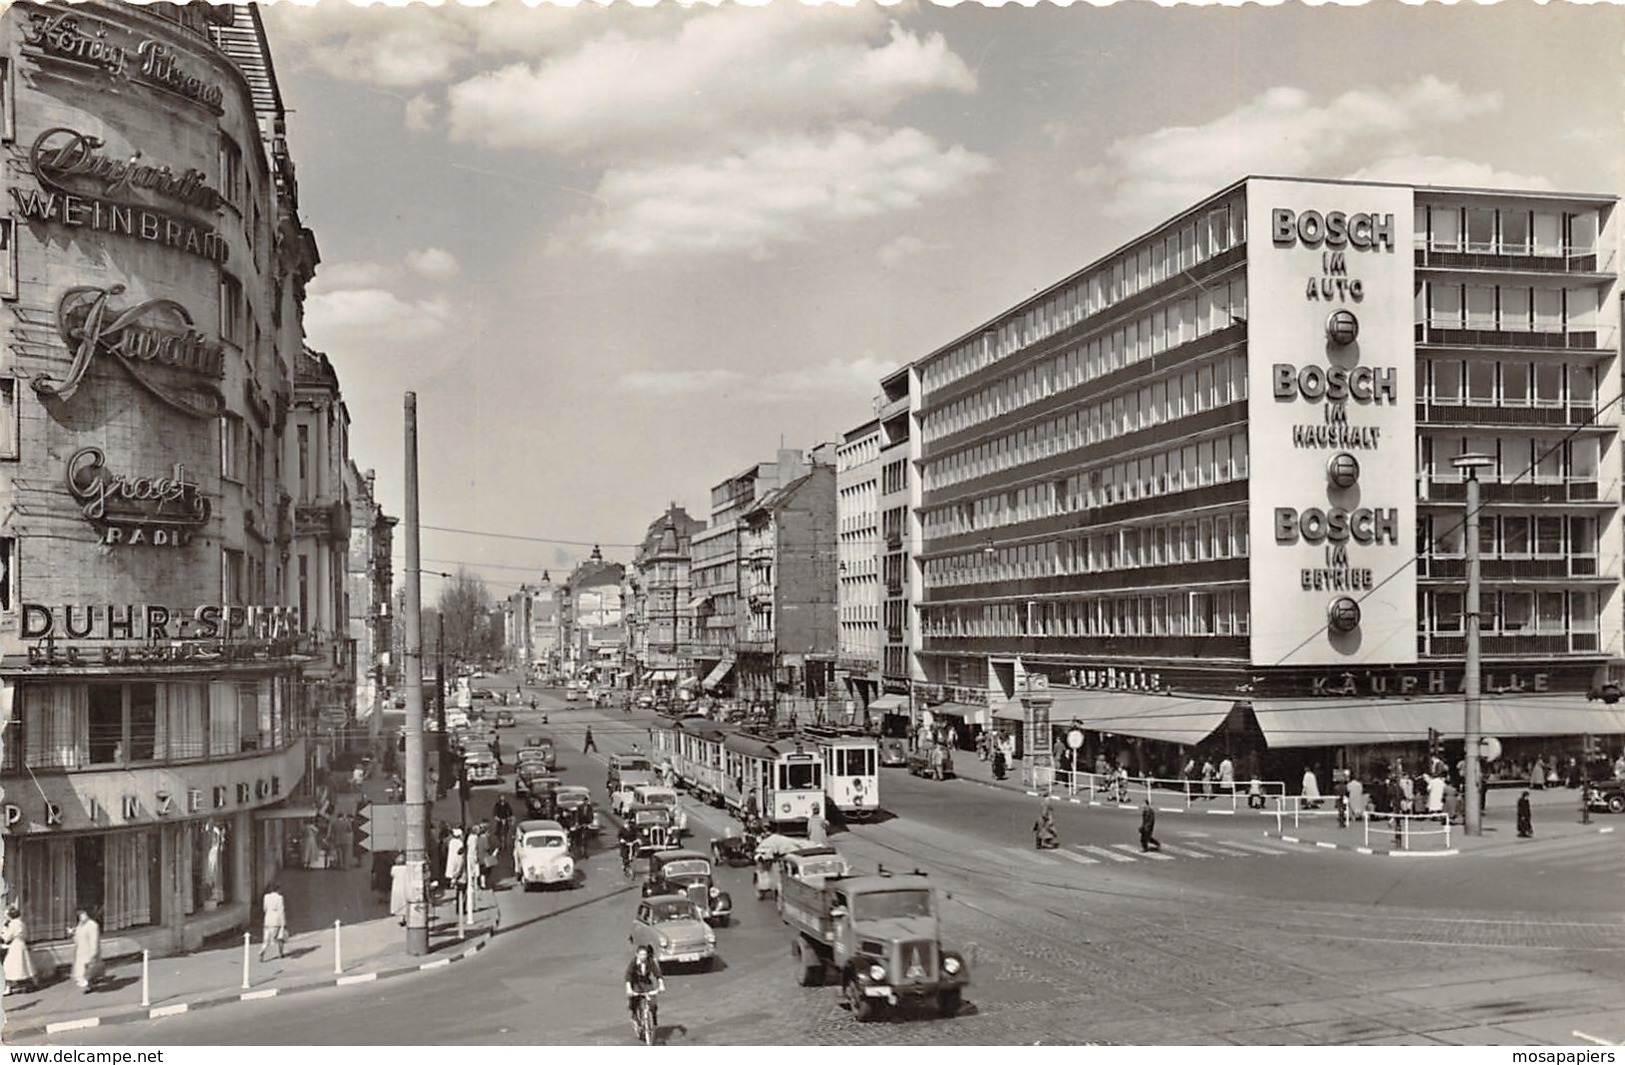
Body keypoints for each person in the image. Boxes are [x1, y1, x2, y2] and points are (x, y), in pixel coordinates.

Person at [625, 944, 666, 1036]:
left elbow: (657, 973)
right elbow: (628, 975)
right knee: (634, 1000)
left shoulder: (650, 962)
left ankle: (654, 1022)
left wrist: (661, 984)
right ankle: (635, 1017)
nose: (643, 957)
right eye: (641, 954)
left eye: (645, 954)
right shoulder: (634, 963)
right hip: (636, 983)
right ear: (637, 955)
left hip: (646, 983)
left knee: (653, 1004)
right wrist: (629, 988)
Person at [1, 905, 36, 994]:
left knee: (8, 966)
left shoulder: (13, 924)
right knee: (23, 965)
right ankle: (27, 984)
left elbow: (7, 937)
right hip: (21, 945)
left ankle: (8, 988)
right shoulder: (21, 923)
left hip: (15, 946)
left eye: (6, 915)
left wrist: (2, 933)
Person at [68, 908, 100, 993]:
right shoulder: (81, 925)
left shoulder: (92, 925)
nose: (81, 916)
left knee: (88, 969)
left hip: (88, 950)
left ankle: (89, 984)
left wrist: (93, 953)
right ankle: (89, 983)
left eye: (83, 914)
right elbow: (78, 937)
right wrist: (73, 933)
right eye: (80, 914)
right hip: (81, 950)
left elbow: (94, 940)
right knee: (81, 970)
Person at [259, 884, 287, 961]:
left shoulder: (266, 897)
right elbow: (281, 910)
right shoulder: (279, 898)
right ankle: (281, 953)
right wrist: (283, 923)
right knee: (280, 938)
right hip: (276, 920)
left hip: (268, 919)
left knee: (266, 939)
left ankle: (263, 950)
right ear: (278, 890)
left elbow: (265, 908)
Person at [390, 855, 411, 925]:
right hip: (405, 886)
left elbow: (392, 875)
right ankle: (403, 917)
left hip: (396, 886)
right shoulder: (407, 868)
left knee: (397, 901)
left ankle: (400, 917)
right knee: (404, 901)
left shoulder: (394, 868)